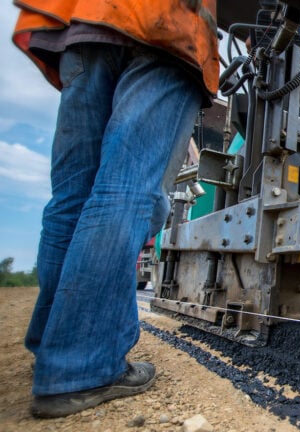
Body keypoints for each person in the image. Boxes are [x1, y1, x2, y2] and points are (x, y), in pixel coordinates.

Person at [12, 0, 219, 418]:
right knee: (126, 193)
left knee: (71, 199)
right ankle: (84, 365)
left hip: (85, 25)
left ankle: (54, 347)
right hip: (164, 28)